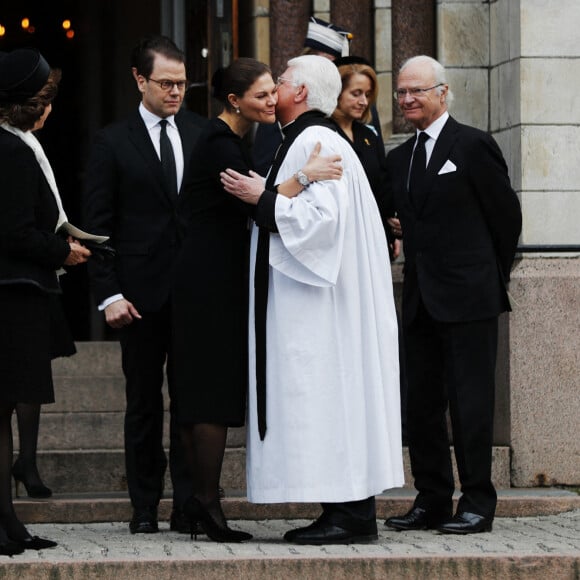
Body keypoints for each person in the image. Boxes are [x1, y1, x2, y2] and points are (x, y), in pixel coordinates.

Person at [221, 55, 404, 545]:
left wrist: (261, 199)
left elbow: (319, 223)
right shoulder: (311, 139)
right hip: (325, 303)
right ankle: (346, 511)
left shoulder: (312, 139)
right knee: (335, 399)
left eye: (280, 82)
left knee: (330, 398)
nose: (273, 88)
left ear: (299, 92)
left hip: (321, 309)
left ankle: (349, 515)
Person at [172, 57, 342, 543]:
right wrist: (307, 176)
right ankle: (206, 504)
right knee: (210, 394)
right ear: (235, 101)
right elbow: (256, 198)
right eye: (262, 95)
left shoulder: (225, 137)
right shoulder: (223, 141)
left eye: (275, 91)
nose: (272, 101)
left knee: (201, 393)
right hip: (209, 280)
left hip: (207, 274)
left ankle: (192, 505)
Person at [383, 55, 522, 535]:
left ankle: (478, 503)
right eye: (401, 92)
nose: (406, 100)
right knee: (421, 406)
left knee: (470, 405)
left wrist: (487, 274)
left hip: (471, 299)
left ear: (442, 92)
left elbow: (506, 218)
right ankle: (432, 499)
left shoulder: (474, 145)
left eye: (416, 91)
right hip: (421, 300)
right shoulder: (398, 158)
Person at [83, 35, 207, 535]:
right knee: (143, 405)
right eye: (166, 83)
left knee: (190, 404)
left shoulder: (202, 134)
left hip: (194, 296)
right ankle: (143, 506)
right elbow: (98, 225)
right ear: (140, 80)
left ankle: (186, 505)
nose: (176, 92)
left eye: (182, 83)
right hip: (136, 296)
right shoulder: (110, 142)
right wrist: (108, 293)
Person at [0, 48, 91, 554]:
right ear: (30, 106)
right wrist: (63, 250)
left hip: (17, 297)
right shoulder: (11, 151)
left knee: (4, 411)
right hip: (12, 298)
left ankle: (9, 522)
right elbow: (14, 233)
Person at [331, 57, 407, 439]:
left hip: (372, 247)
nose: (363, 101)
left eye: (368, 95)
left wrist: (391, 225)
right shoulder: (322, 133)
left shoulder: (369, 137)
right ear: (337, 92)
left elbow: (381, 191)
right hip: (336, 252)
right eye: (355, 93)